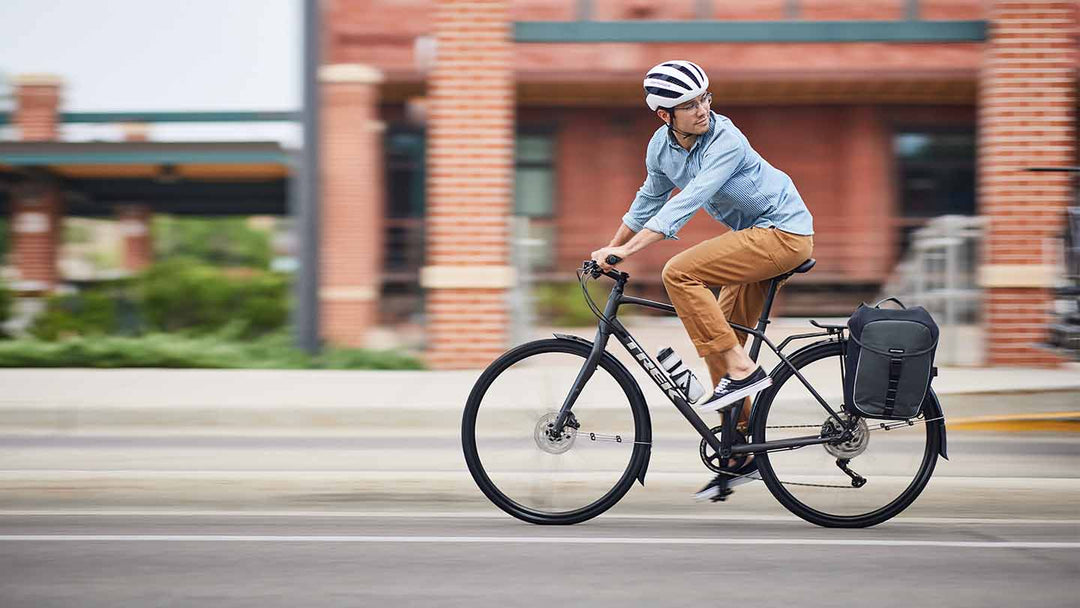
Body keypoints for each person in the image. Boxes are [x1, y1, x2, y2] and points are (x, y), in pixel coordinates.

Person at [590, 60, 814, 502]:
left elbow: (688, 202)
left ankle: (744, 369)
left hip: (784, 234)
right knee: (719, 344)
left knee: (680, 272)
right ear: (664, 115)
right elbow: (647, 200)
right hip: (753, 238)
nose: (702, 109)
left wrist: (631, 252)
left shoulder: (726, 139)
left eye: (705, 98)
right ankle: (740, 453)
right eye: (689, 104)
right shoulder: (660, 147)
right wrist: (609, 248)